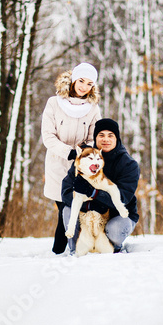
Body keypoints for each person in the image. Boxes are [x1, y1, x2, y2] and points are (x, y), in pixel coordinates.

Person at [41, 63, 102, 254]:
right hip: (58, 162)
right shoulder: (53, 103)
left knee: (73, 206)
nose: (84, 87)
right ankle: (61, 250)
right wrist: (68, 151)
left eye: (89, 83)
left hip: (81, 165)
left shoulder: (93, 108)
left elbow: (94, 136)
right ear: (73, 79)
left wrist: (84, 150)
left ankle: (65, 249)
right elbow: (48, 136)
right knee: (64, 205)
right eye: (81, 81)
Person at [61, 118, 140, 254]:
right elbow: (66, 191)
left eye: (111, 135)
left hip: (117, 214)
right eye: (101, 135)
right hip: (88, 214)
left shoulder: (128, 164)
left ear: (117, 138)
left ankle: (112, 248)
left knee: (115, 231)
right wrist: (88, 205)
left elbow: (123, 198)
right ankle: (76, 250)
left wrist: (94, 194)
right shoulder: (84, 158)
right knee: (67, 210)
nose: (106, 139)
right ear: (95, 137)